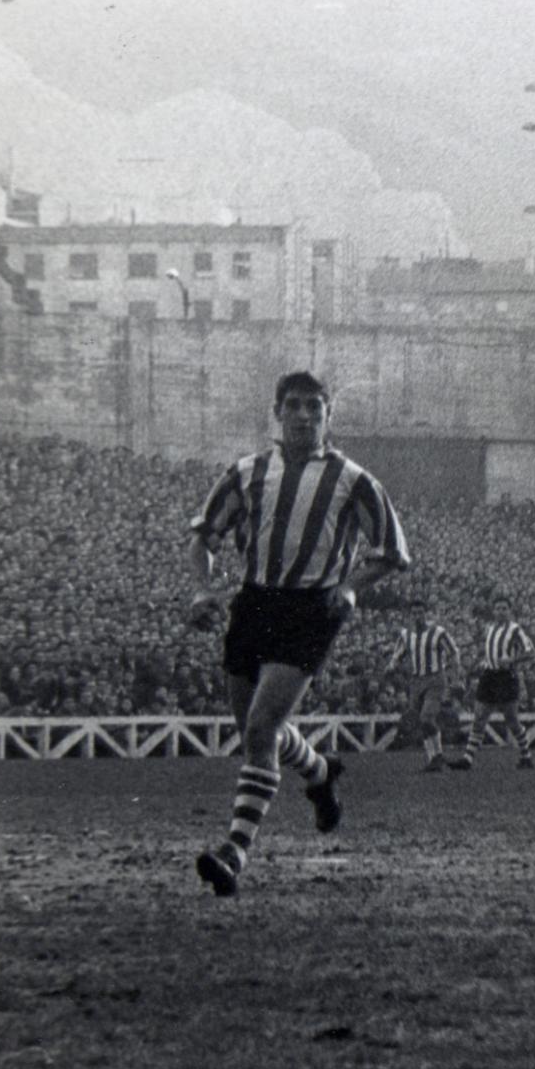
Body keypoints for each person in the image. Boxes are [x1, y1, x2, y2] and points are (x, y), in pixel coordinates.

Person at [186, 371, 410, 897]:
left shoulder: (353, 479)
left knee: (261, 729)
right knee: (257, 732)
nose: (304, 415)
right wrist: (202, 589)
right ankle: (318, 772)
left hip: (313, 607)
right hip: (253, 602)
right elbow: (203, 537)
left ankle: (234, 852)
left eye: (315, 406)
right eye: (294, 405)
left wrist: (351, 586)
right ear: (277, 412)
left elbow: (392, 553)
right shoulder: (246, 473)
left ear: (329, 415)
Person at [455, 605, 535, 769]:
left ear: (509, 611)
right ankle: (467, 758)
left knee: (512, 719)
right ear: (494, 611)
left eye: (504, 608)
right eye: (498, 608)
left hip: (506, 677)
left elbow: (531, 652)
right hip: (489, 676)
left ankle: (526, 755)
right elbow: (490, 651)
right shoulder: (490, 628)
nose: (501, 611)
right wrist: (484, 662)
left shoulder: (515, 629)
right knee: (479, 716)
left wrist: (511, 660)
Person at [385, 601, 462, 771]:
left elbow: (454, 652)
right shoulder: (406, 634)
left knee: (426, 717)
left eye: (421, 613)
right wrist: (391, 666)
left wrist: (455, 677)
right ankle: (433, 760)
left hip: (435, 679)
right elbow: (397, 655)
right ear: (410, 615)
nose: (418, 616)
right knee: (422, 720)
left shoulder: (438, 632)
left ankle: (438, 755)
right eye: (414, 613)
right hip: (416, 681)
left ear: (426, 614)